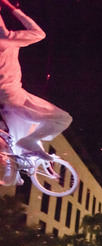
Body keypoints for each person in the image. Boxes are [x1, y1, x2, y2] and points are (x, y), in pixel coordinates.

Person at [0, 0, 72, 160]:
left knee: (20, 139)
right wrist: (12, 9)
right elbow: (39, 33)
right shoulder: (8, 40)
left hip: (8, 98)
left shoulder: (8, 39)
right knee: (62, 119)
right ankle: (27, 144)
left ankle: (19, 159)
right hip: (13, 97)